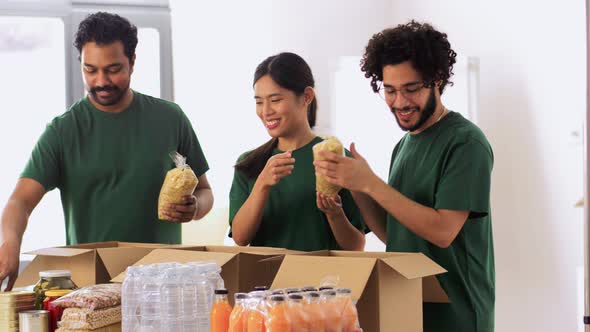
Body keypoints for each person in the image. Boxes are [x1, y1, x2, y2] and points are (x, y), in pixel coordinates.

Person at [0, 12, 213, 291]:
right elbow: (19, 202)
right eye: (90, 70)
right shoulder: (63, 131)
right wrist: (10, 245)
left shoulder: (170, 118)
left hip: (163, 284)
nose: (101, 81)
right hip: (91, 287)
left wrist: (195, 207)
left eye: (113, 69)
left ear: (133, 62)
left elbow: (205, 192)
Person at [314, 21, 495, 332]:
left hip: (458, 317)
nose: (399, 102)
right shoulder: (404, 146)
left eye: (411, 89)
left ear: (437, 79)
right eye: (390, 90)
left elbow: (442, 231)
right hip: (408, 310)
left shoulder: (466, 142)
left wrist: (370, 182)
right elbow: (393, 234)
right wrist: (355, 186)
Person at [229, 52, 365, 251]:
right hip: (267, 280)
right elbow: (240, 238)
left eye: (275, 100)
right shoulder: (249, 163)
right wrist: (262, 185)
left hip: (325, 280)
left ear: (307, 97)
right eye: (259, 102)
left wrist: (335, 215)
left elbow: (356, 246)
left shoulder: (336, 159)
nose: (265, 111)